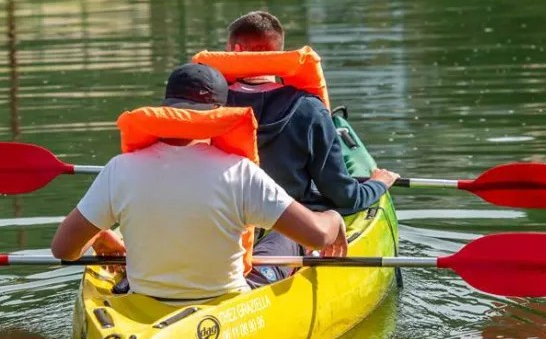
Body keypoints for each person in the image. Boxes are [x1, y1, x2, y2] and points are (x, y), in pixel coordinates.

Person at [51, 63, 348, 301]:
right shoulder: (240, 172)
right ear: (219, 114)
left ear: (166, 108)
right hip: (227, 306)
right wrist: (333, 219)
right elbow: (317, 236)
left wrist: (100, 236)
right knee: (289, 237)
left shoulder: (119, 169)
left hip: (145, 302)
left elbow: (63, 249)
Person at [222, 10, 399, 215]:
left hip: (224, 216)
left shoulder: (210, 107)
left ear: (235, 50)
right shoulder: (309, 109)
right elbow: (344, 196)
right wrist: (378, 184)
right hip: (291, 220)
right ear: (279, 53)